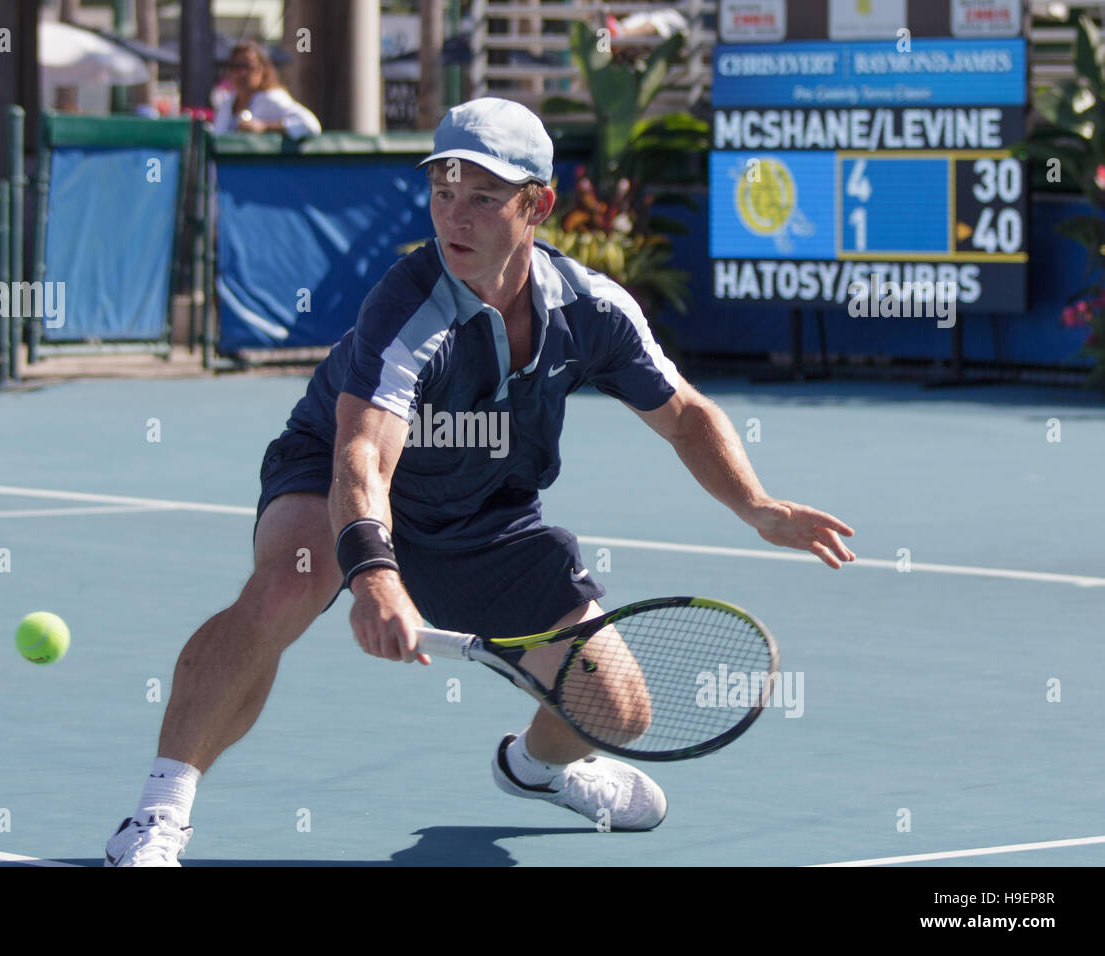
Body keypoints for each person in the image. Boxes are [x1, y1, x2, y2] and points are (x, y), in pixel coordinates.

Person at [105, 97, 855, 866]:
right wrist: (374, 577)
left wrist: (756, 505)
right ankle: (158, 815)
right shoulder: (409, 307)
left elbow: (685, 415)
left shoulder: (592, 311)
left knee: (620, 711)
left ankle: (535, 767)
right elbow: (360, 457)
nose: (454, 219)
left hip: (488, 515)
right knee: (284, 588)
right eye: (444, 193)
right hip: (335, 476)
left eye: (484, 199)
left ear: (538, 206)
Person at [211, 40, 321, 139]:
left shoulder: (271, 98)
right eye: (236, 67)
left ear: (262, 70)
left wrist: (264, 127)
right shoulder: (227, 104)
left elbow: (311, 125)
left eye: (248, 67)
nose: (242, 73)